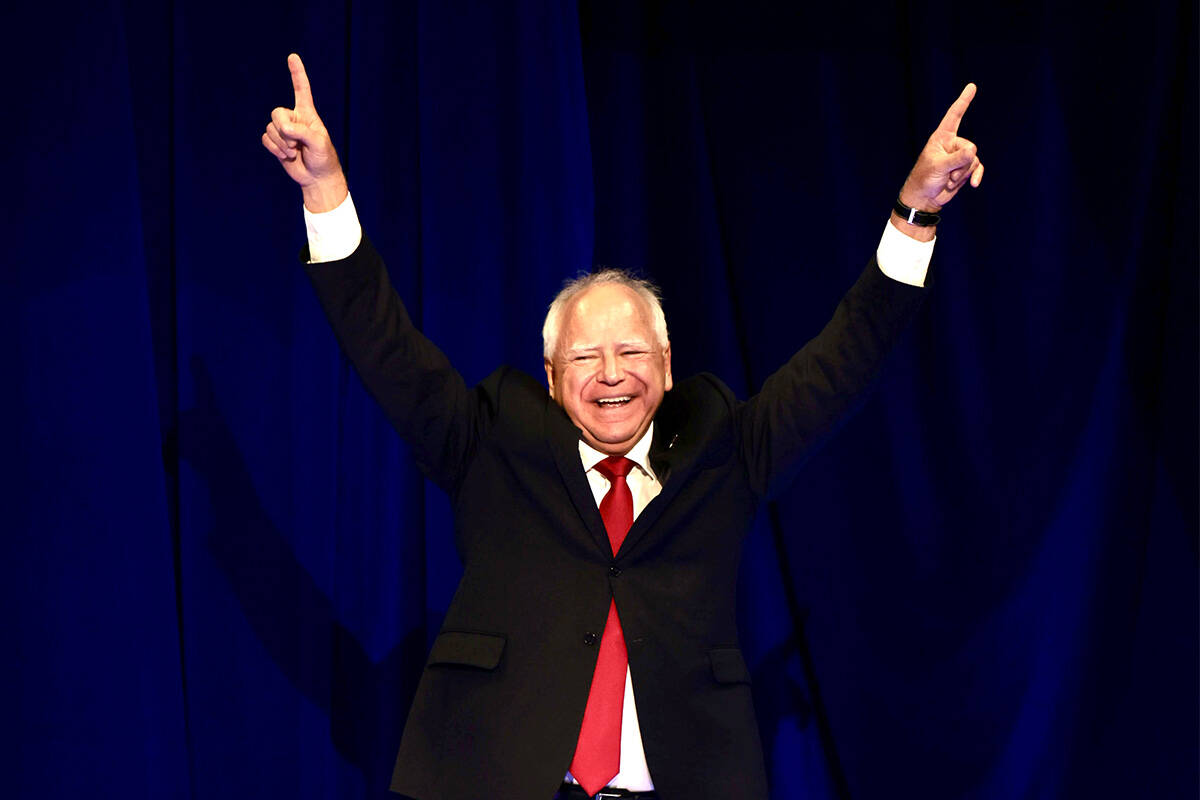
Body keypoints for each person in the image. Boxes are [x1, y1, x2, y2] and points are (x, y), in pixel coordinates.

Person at [263, 53, 982, 800]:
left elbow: (846, 359)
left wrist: (915, 212)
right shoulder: (491, 441)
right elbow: (385, 348)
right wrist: (325, 190)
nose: (611, 374)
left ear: (667, 366)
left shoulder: (724, 448)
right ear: (550, 375)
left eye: (632, 352)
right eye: (585, 356)